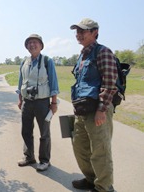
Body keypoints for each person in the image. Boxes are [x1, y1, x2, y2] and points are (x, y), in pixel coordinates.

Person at [70, 18, 117, 192]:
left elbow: (110, 83)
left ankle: (103, 186)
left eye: (83, 31)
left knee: (100, 149)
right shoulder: (82, 55)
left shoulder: (103, 52)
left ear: (95, 32)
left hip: (98, 109)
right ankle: (91, 179)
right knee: (80, 146)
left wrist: (101, 109)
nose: (79, 34)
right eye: (77, 31)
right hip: (82, 109)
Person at [16, 34, 59, 171]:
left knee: (44, 132)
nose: (32, 45)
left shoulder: (47, 61)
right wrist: (20, 99)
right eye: (29, 43)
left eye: (35, 42)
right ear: (26, 47)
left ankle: (45, 160)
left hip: (42, 102)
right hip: (27, 102)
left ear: (41, 45)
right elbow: (20, 82)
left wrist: (54, 103)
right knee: (26, 131)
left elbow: (53, 83)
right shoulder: (24, 62)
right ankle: (29, 157)